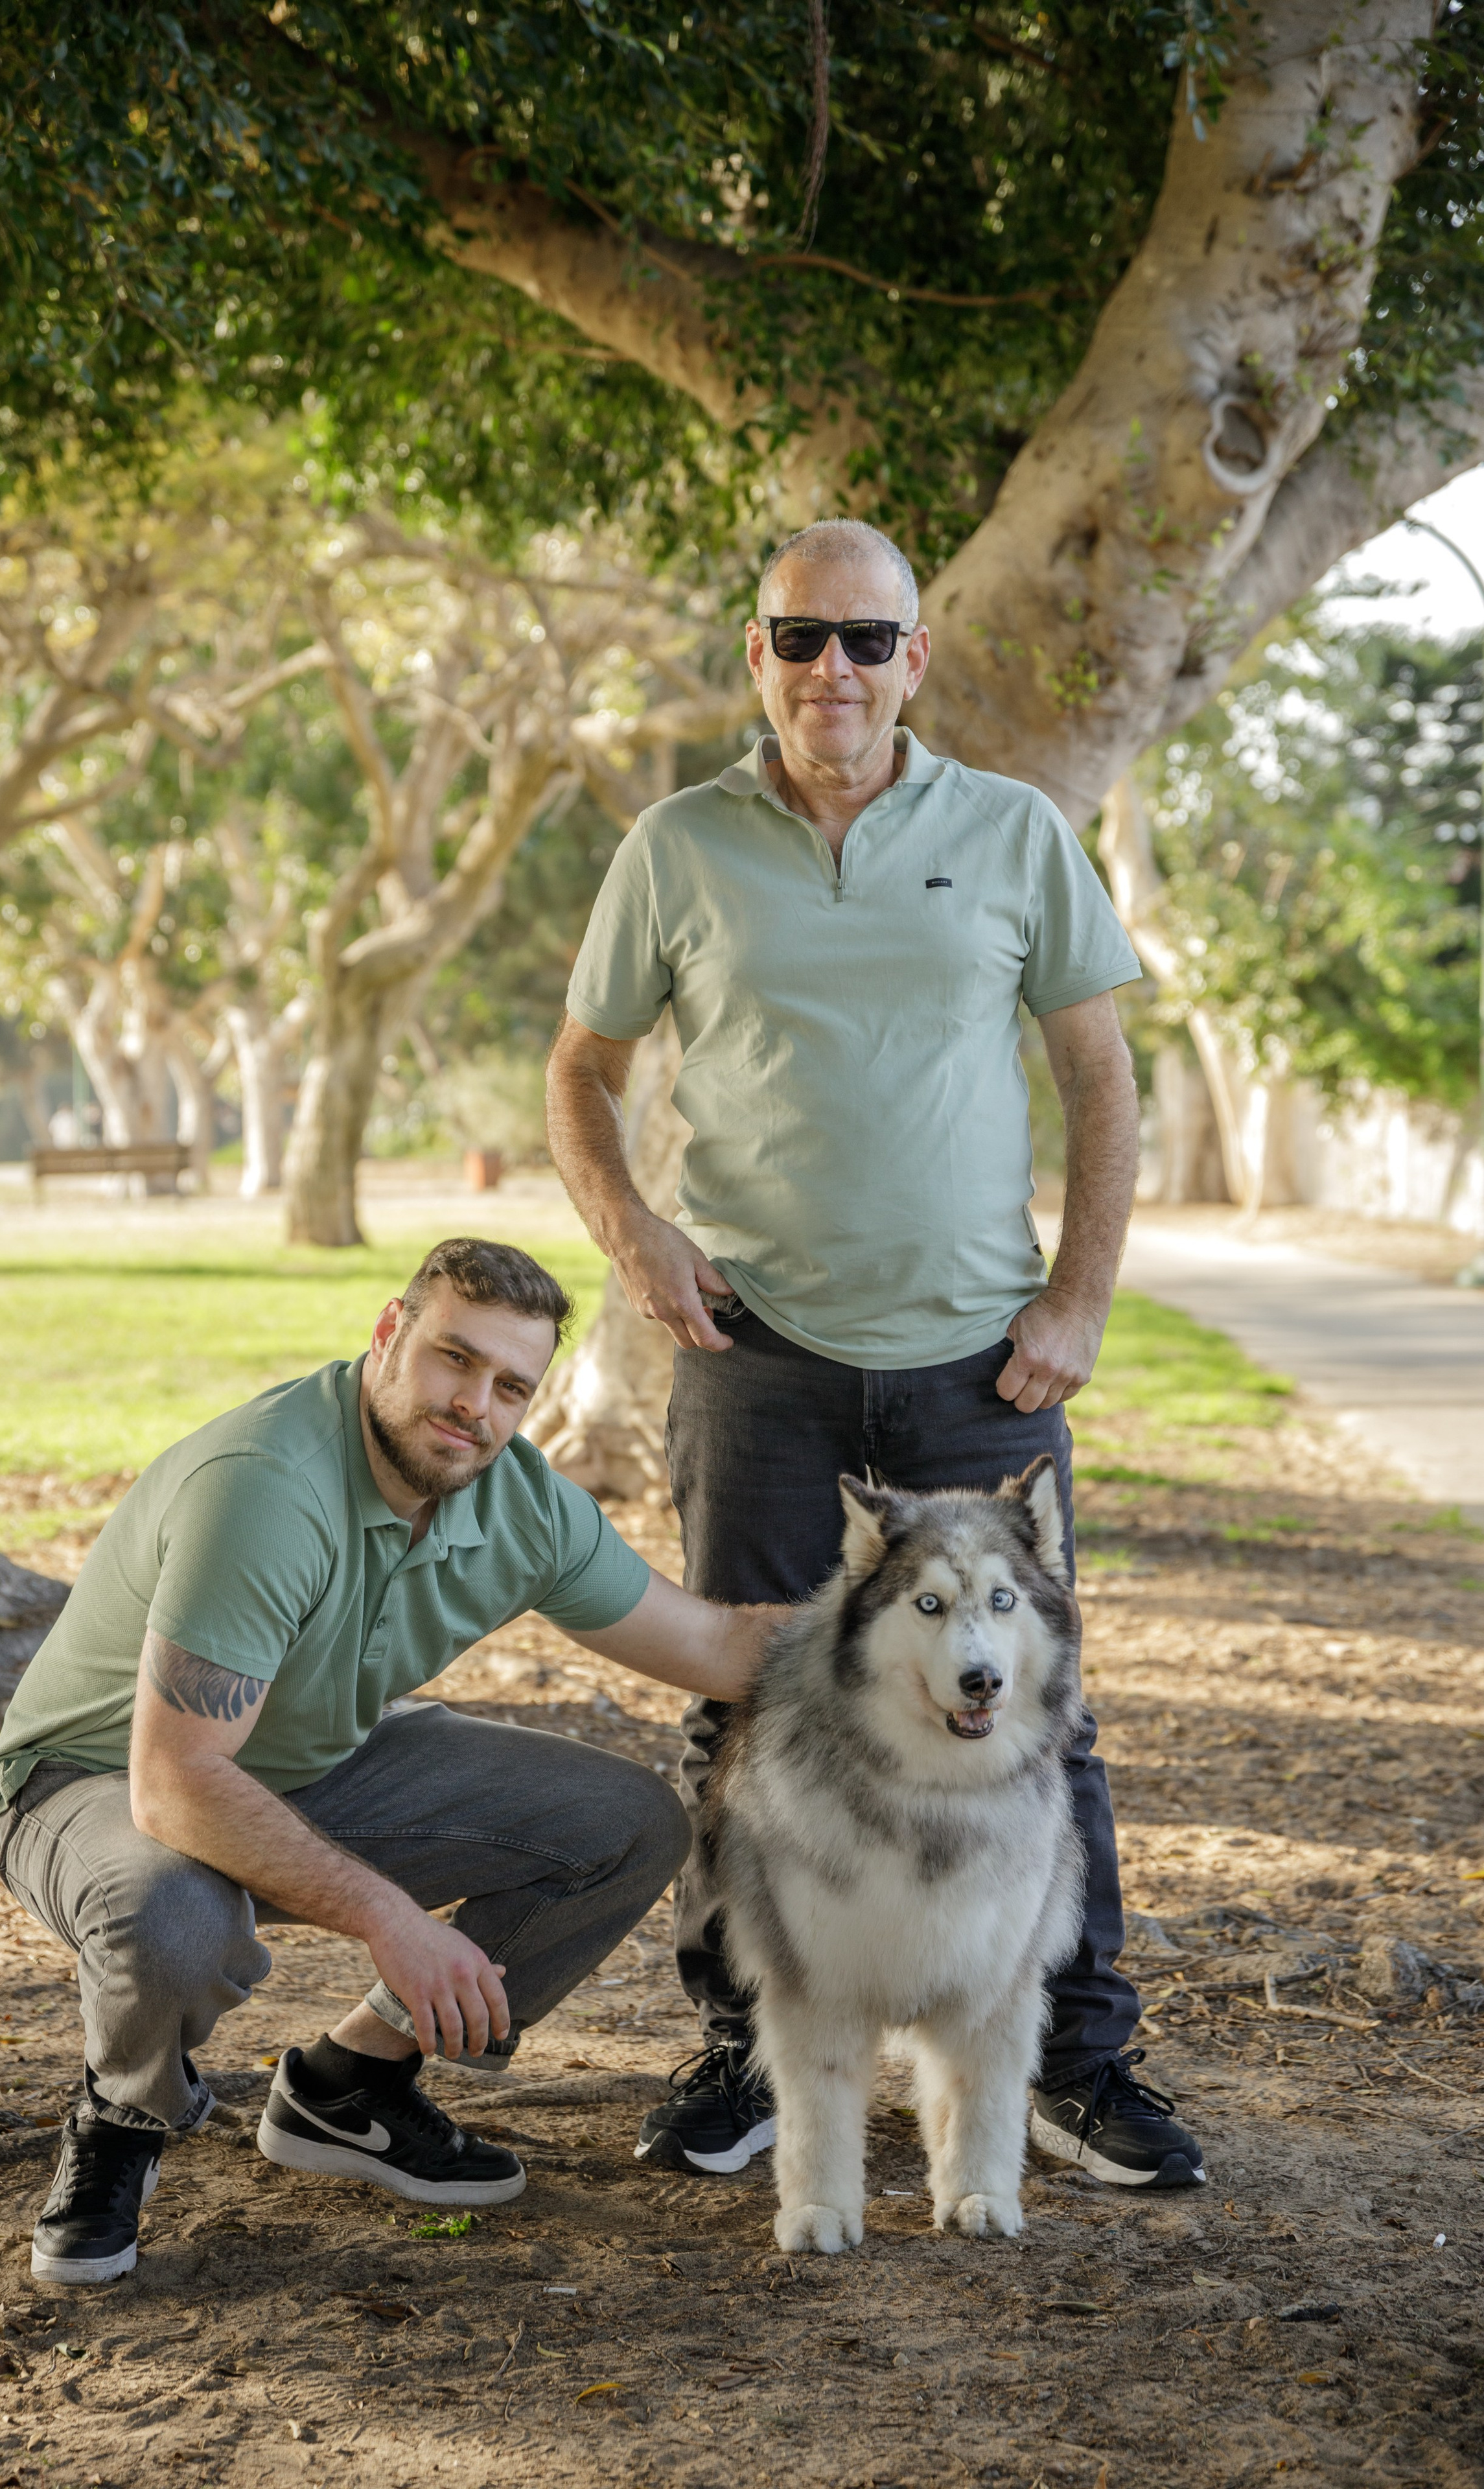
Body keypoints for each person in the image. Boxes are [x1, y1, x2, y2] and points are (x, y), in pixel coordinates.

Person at [547, 518, 1205, 2192]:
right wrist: (632, 1235)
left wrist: (1079, 1298)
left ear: (915, 659)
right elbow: (581, 1069)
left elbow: (1102, 1079)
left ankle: (1075, 2059)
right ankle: (749, 2050)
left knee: (1034, 1710)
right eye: (799, 637)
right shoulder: (678, 848)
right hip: (753, 1357)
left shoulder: (1014, 832)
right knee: (745, 1711)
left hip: (979, 1370)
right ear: (755, 655)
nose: (830, 669)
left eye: (865, 640)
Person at [0, 1238, 780, 2286]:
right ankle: (122, 2116)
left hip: (310, 1765)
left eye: (510, 1386)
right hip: (95, 1781)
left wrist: (922, 1634)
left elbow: (716, 1647)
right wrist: (391, 1921)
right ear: (388, 1336)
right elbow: (173, 1783)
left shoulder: (518, 1503)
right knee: (175, 1917)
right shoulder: (265, 1489)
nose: (473, 1405)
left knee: (629, 1822)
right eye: (454, 1358)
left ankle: (350, 2087)